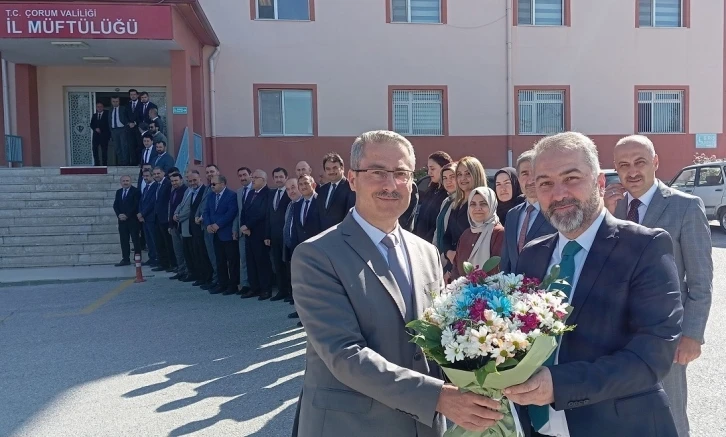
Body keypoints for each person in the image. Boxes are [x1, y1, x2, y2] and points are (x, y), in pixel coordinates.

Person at [291, 130, 503, 437]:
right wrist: (438, 397)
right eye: (377, 172)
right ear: (352, 179)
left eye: (401, 173)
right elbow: (345, 354)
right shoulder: (317, 255)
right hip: (353, 425)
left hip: (423, 425)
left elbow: (437, 338)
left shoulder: (426, 252)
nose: (391, 184)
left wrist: (493, 367)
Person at [504, 131, 682, 437]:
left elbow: (652, 354)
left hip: (619, 427)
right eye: (545, 183)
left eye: (571, 178)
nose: (558, 194)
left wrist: (559, 386)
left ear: (600, 182)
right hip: (536, 427)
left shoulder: (645, 247)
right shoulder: (533, 254)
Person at [605, 135, 712, 437]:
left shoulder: (685, 207)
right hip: (617, 335)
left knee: (669, 415)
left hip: (667, 336)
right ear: (616, 168)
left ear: (655, 162)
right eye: (624, 165)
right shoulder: (611, 209)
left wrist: (692, 334)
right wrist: (609, 215)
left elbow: (700, 280)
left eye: (640, 162)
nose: (632, 171)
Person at [500, 150, 556, 273]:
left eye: (535, 173)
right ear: (518, 178)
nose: (531, 180)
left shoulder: (556, 212)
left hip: (545, 290)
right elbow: (506, 260)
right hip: (514, 290)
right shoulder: (512, 215)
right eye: (525, 173)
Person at [442, 157, 487, 277]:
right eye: (459, 174)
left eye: (467, 174)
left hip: (472, 269)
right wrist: (449, 253)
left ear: (477, 174)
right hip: (453, 266)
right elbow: (447, 236)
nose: (463, 178)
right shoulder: (457, 204)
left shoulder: (484, 204)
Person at [451, 187, 504, 279]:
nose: (477, 208)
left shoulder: (499, 233)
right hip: (462, 291)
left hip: (491, 291)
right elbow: (456, 269)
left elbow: (498, 270)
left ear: (492, 206)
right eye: (473, 204)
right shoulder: (466, 234)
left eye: (483, 204)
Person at [203, 175, 239, 295]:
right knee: (220, 260)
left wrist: (218, 224)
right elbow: (206, 211)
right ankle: (222, 284)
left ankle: (233, 285)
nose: (212, 186)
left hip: (227, 233)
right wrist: (208, 224)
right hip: (215, 233)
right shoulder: (211, 196)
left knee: (232, 261)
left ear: (223, 184)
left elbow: (231, 213)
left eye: (214, 184)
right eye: (211, 184)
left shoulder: (231, 195)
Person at [414, 151, 453, 242]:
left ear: (444, 168)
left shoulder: (447, 195)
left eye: (432, 169)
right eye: (428, 169)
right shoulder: (431, 190)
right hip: (419, 241)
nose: (429, 172)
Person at [432, 162, 458, 280]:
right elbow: (438, 230)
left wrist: (450, 266)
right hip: (439, 258)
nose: (448, 181)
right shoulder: (446, 201)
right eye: (445, 178)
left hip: (451, 261)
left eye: (452, 177)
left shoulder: (463, 203)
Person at [112, 175, 140, 266]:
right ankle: (125, 259)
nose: (125, 182)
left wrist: (127, 215)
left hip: (132, 220)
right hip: (122, 221)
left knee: (135, 240)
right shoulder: (119, 192)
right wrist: (119, 215)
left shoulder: (136, 191)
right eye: (123, 181)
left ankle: (137, 258)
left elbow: (135, 205)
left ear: (130, 181)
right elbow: (115, 205)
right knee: (124, 240)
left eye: (127, 180)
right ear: (121, 182)